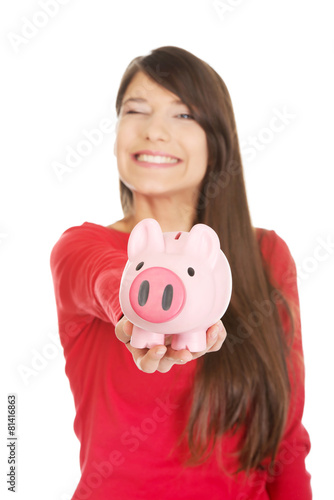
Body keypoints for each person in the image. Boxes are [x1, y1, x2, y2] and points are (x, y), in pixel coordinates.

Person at [50, 46, 312, 499]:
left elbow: (285, 442)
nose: (154, 130)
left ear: (218, 140)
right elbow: (104, 278)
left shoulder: (266, 254)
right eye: (136, 110)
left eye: (183, 115)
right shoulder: (81, 247)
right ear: (115, 136)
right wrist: (132, 310)